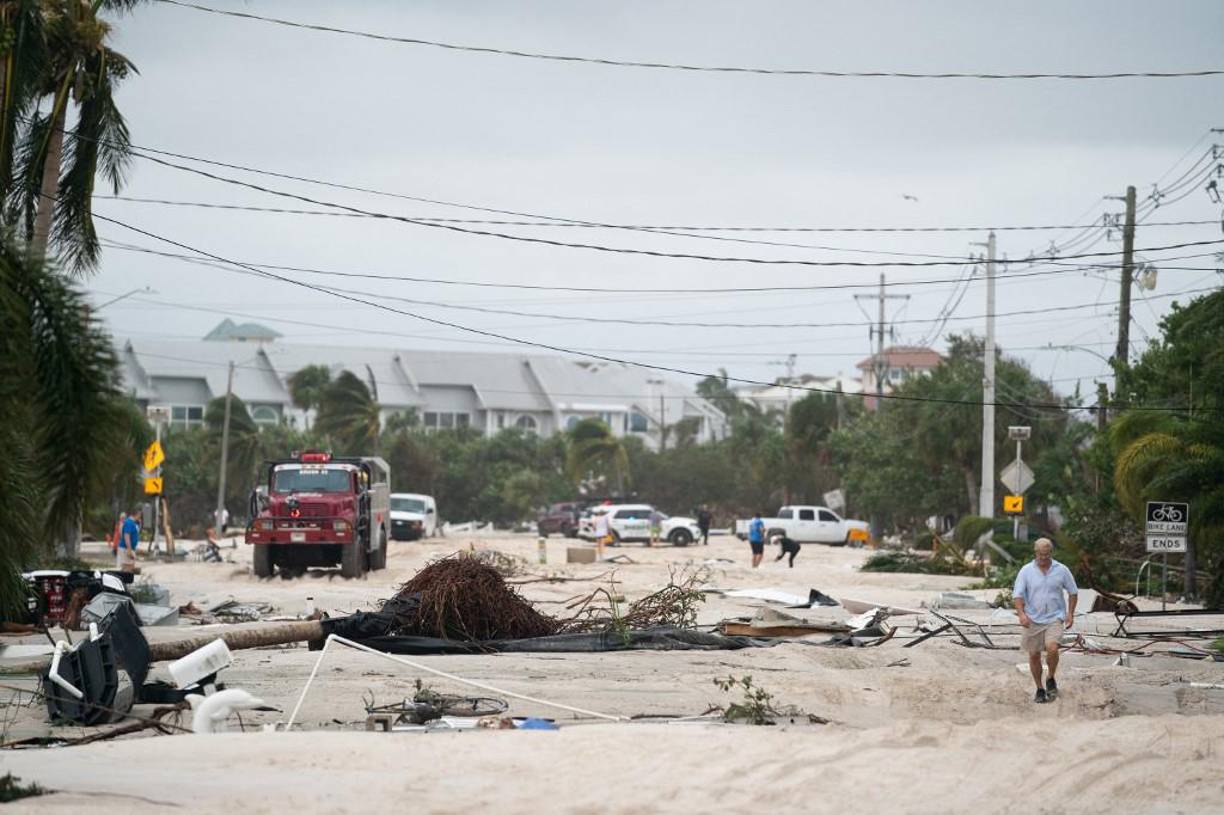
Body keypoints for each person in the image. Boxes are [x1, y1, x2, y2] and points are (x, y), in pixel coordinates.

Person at [1013, 538, 1078, 703]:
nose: (1043, 558)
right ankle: (1039, 689)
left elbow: (1073, 592)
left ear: (1051, 553)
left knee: (1053, 647)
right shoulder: (1026, 571)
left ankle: (1050, 677)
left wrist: (1070, 614)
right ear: (1036, 553)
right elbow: (1018, 595)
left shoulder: (1061, 570)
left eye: (1047, 554)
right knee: (1034, 655)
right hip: (1032, 618)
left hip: (1054, 617)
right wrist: (1021, 614)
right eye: (1041, 554)